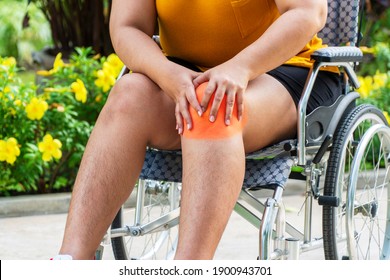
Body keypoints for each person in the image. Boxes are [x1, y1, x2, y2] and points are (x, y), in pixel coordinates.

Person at [54, 0, 340, 260]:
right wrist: (168, 74)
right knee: (128, 95)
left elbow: (309, 12)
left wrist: (239, 68)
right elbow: (128, 26)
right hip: (186, 70)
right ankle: (73, 259)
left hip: (282, 68)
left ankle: (190, 267)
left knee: (211, 105)